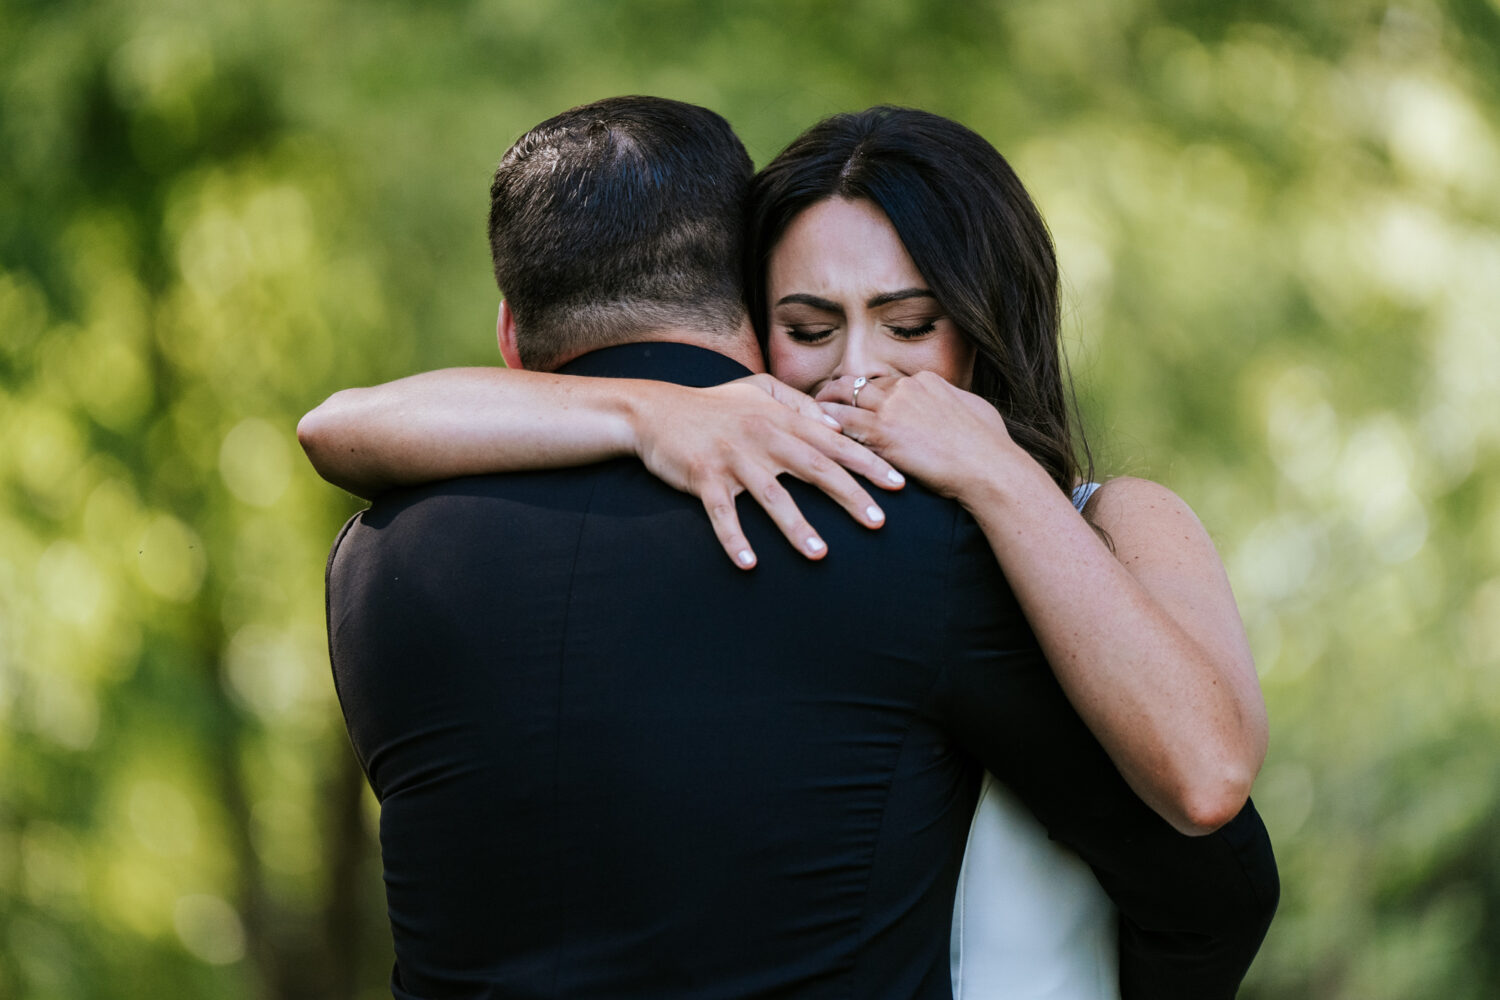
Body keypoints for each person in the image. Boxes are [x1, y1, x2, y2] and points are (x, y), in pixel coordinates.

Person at [306, 98, 1277, 999]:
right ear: (747, 332)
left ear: (982, 330)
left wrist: (994, 471)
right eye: (808, 327)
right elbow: (336, 426)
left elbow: (1207, 800)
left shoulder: (1091, 523)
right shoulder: (799, 503)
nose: (857, 370)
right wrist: (654, 412)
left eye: (908, 324)